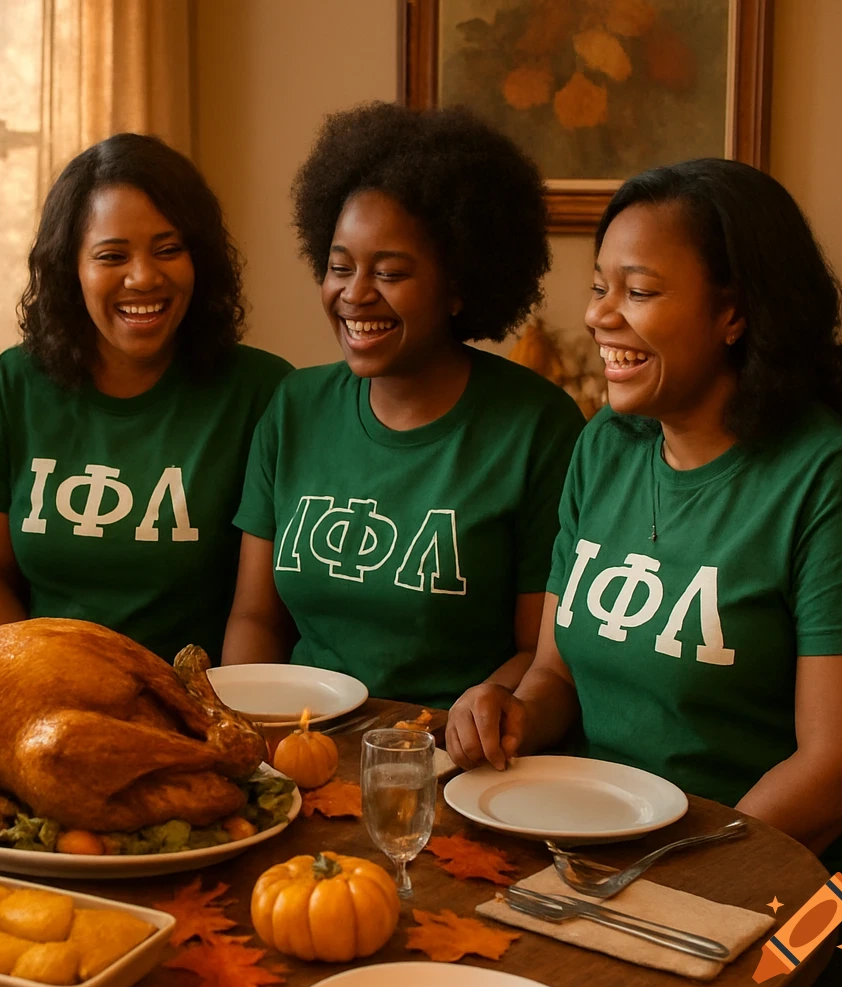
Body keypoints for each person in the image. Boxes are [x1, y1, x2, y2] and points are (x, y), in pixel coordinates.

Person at [446, 159, 842, 987]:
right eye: (597, 286)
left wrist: (673, 870)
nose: (598, 316)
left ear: (735, 312)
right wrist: (507, 704)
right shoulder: (605, 449)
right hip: (620, 857)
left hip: (824, 893)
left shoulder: (835, 481)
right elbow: (556, 673)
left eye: (639, 291)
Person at [223, 102, 584, 706]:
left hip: (452, 756)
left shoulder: (536, 426)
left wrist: (476, 718)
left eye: (389, 272)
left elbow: (539, 653)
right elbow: (257, 618)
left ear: (459, 286)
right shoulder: (296, 406)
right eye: (340, 267)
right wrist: (245, 727)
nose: (355, 294)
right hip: (301, 744)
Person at [0, 133, 291, 662]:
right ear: (71, 268)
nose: (143, 277)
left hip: (198, 706)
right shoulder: (15, 382)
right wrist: (36, 679)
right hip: (47, 696)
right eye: (112, 255)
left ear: (199, 260)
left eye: (168, 249)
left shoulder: (263, 393)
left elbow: (264, 612)